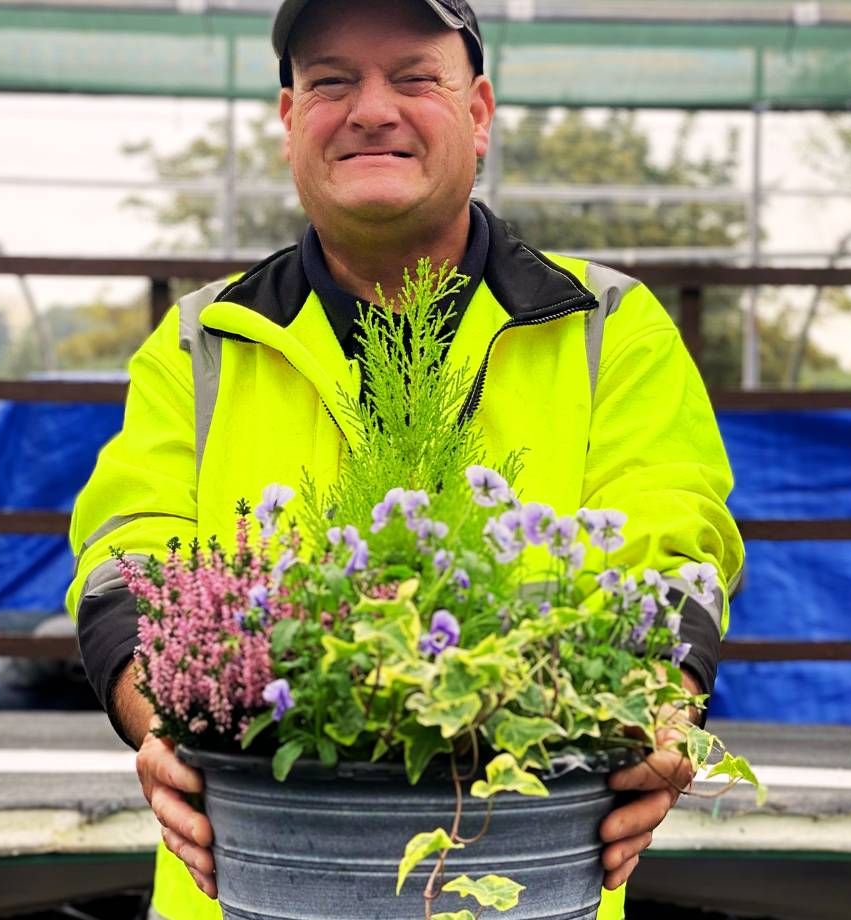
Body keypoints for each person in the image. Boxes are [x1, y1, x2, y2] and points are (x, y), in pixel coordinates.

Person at [67, 1, 744, 918]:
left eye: (415, 78)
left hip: (528, 888)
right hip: (246, 891)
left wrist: (656, 717)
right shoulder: (205, 344)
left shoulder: (605, 328)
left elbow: (676, 547)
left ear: (478, 111)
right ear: (288, 119)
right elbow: (124, 560)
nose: (371, 109)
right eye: (331, 81)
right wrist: (170, 728)